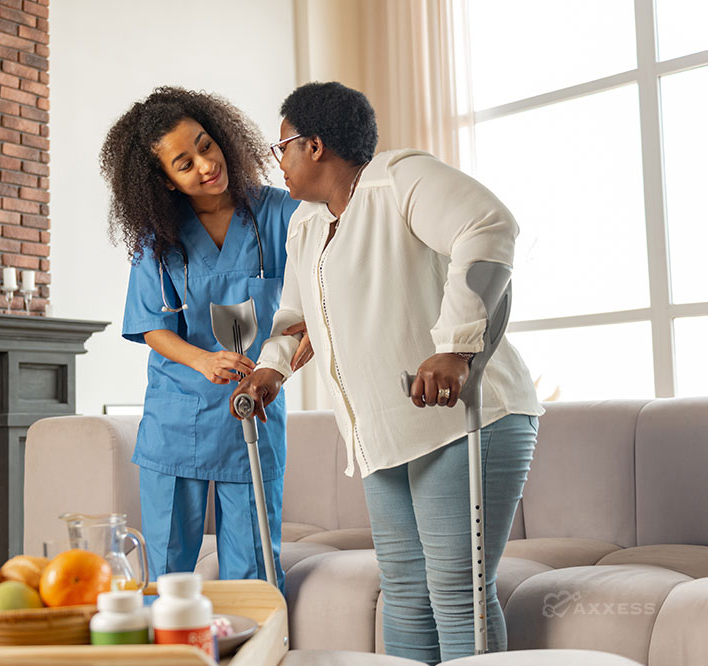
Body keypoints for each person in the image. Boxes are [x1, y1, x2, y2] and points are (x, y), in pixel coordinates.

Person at [231, 81, 544, 663]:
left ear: (315, 145)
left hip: (466, 421)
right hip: (384, 435)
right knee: (403, 593)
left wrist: (456, 347)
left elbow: (488, 224)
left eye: (283, 146)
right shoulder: (304, 225)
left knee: (455, 594)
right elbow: (295, 320)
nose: (279, 162)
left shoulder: (399, 179)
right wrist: (270, 371)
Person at [100, 86, 304, 590]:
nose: (205, 165)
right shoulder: (158, 237)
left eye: (205, 146)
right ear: (165, 181)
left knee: (253, 570)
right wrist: (203, 361)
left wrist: (277, 366)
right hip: (177, 416)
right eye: (184, 163)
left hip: (251, 406)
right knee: (168, 570)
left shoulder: (280, 213)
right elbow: (151, 325)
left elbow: (316, 296)